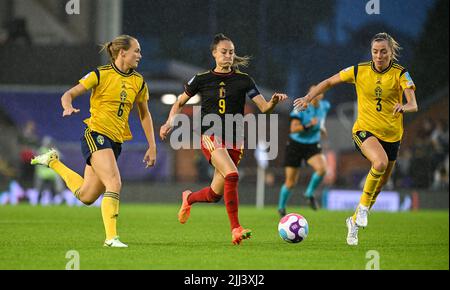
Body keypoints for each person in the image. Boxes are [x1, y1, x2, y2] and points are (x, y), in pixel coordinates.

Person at [160, 33, 287, 245]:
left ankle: (189, 198)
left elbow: (264, 108)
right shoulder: (201, 79)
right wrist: (170, 122)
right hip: (211, 136)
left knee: (214, 194)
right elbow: (179, 102)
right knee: (232, 174)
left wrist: (273, 101)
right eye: (223, 52)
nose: (228, 55)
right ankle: (235, 228)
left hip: (236, 140)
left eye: (231, 52)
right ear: (214, 54)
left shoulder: (244, 80)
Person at [31, 35, 157, 247]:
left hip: (115, 142)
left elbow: (144, 114)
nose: (140, 55)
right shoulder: (100, 74)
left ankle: (53, 162)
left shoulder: (139, 82)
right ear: (122, 53)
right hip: (96, 135)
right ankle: (111, 238)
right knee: (114, 183)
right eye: (136, 50)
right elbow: (69, 94)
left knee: (86, 196)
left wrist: (152, 145)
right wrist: (67, 105)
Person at [294, 32, 418, 246]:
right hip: (364, 131)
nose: (379, 56)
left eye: (383, 52)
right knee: (378, 162)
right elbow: (329, 81)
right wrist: (308, 97)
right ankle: (361, 210)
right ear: (371, 52)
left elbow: (413, 104)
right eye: (375, 52)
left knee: (381, 183)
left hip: (392, 136)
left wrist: (404, 107)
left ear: (391, 53)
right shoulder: (359, 70)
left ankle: (352, 222)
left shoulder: (401, 74)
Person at [277, 86, 330, 217]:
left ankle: (309, 193)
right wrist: (309, 125)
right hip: (295, 145)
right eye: (313, 92)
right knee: (290, 182)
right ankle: (281, 207)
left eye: (319, 92)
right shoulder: (301, 106)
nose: (316, 95)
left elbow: (321, 119)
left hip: (312, 145)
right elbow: (293, 129)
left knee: (322, 169)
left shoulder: (325, 106)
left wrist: (321, 127)